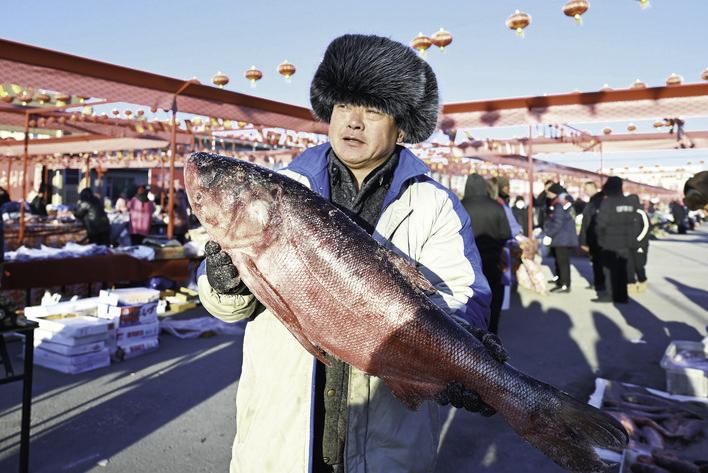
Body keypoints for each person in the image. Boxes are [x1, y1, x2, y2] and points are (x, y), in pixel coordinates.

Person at [196, 34, 500, 473]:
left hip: (388, 444)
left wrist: (462, 352)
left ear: (402, 127)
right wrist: (222, 282)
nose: (353, 122)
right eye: (343, 107)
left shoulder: (433, 205)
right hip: (281, 437)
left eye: (372, 111)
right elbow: (226, 306)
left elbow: (463, 296)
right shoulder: (274, 190)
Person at [461, 174, 511, 334]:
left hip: (465, 261)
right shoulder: (496, 207)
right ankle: (492, 331)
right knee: (494, 295)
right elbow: (505, 234)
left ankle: (471, 332)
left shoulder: (458, 206)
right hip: (492, 258)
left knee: (467, 298)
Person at [596, 176, 635, 303]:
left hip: (609, 242)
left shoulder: (608, 202)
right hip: (625, 242)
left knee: (609, 270)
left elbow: (601, 223)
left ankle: (610, 294)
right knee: (622, 270)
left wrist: (600, 239)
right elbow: (633, 223)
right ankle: (622, 296)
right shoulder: (629, 202)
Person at [543, 183, 579, 293]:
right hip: (562, 238)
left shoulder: (558, 204)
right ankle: (561, 281)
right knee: (560, 262)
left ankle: (565, 284)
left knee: (563, 263)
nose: (546, 194)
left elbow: (557, 222)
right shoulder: (561, 203)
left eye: (548, 192)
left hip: (562, 239)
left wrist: (549, 234)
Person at [578, 181, 606, 294]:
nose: (586, 191)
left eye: (587, 188)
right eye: (585, 189)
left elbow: (592, 222)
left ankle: (601, 284)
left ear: (595, 187)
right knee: (596, 262)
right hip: (592, 237)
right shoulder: (592, 201)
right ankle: (598, 283)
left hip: (597, 237)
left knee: (599, 262)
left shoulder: (599, 201)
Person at [626, 194, 650, 294]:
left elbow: (646, 227)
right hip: (627, 245)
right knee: (629, 266)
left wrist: (638, 240)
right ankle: (631, 283)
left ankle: (642, 280)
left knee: (639, 265)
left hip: (640, 245)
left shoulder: (641, 213)